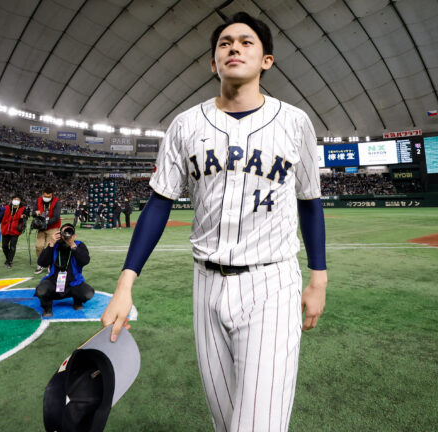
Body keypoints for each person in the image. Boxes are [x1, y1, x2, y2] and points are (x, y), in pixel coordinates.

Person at [100, 12, 327, 431]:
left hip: (271, 283)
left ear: (266, 61)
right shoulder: (185, 125)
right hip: (205, 285)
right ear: (213, 63)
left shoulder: (295, 123)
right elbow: (159, 203)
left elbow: (310, 203)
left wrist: (319, 280)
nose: (234, 47)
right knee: (226, 422)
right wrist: (124, 285)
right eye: (224, 43)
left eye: (246, 42)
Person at [35, 223, 94, 318]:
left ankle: (77, 302)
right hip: (53, 281)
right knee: (41, 289)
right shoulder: (54, 245)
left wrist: (73, 245)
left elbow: (84, 261)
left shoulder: (79, 245)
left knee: (88, 292)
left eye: (69, 232)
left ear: (74, 235)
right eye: (64, 232)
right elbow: (42, 262)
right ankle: (47, 308)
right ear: (60, 234)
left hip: (73, 282)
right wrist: (51, 244)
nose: (67, 235)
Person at [34, 187, 62, 274]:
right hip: (41, 228)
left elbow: (56, 217)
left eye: (48, 196)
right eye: (45, 196)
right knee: (39, 246)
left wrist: (45, 222)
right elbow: (33, 212)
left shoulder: (57, 202)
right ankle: (41, 263)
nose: (46, 197)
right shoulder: (38, 200)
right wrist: (35, 213)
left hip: (52, 227)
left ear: (52, 195)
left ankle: (50, 264)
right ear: (43, 194)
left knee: (49, 247)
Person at [0, 195, 26, 269]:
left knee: (12, 247)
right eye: (15, 199)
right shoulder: (6, 208)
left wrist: (24, 217)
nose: (16, 200)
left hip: (15, 231)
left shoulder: (23, 209)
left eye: (18, 199)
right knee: (4, 246)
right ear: (12, 200)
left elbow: (26, 217)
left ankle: (9, 261)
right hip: (5, 230)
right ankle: (8, 258)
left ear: (20, 201)